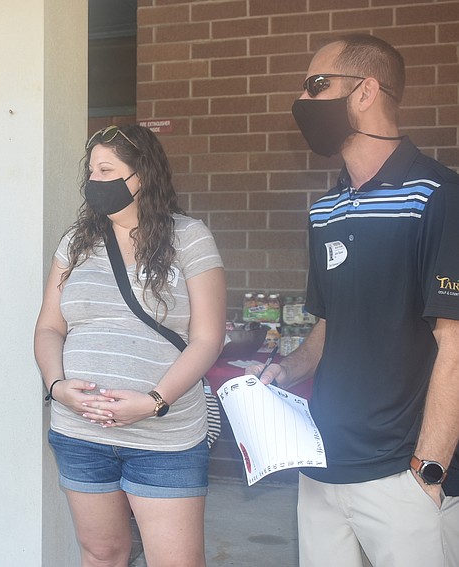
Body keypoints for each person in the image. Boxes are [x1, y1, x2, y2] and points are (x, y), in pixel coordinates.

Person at [249, 34, 459, 566]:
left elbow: (454, 346)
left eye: (317, 86)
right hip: (320, 460)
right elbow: (330, 322)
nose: (304, 101)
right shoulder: (325, 209)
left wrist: (429, 471)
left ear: (366, 91)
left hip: (401, 472)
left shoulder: (438, 195)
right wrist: (287, 370)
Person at [34, 124, 226, 567]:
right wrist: (56, 386)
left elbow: (208, 338)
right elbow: (49, 327)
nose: (95, 182)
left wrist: (154, 401)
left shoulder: (189, 237)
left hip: (166, 436)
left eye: (107, 170)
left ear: (142, 175)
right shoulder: (75, 244)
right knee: (102, 553)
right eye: (91, 172)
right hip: (80, 431)